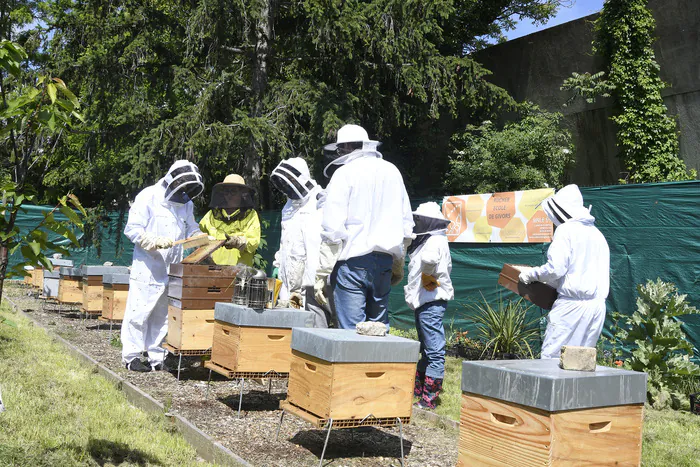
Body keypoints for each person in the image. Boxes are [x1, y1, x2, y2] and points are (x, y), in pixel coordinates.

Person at [314, 124, 413, 329]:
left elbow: (332, 229)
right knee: (378, 330)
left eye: (341, 149)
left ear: (347, 147)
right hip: (385, 261)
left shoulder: (344, 173)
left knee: (351, 333)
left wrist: (322, 272)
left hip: (352, 262)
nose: (340, 153)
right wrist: (398, 263)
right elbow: (406, 224)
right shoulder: (392, 171)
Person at [121, 160, 204, 372]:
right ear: (171, 182)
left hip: (172, 267)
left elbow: (191, 229)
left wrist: (200, 237)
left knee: (162, 315)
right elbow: (132, 229)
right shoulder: (148, 196)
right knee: (139, 312)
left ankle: (157, 357)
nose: (184, 193)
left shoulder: (186, 204)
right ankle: (131, 357)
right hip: (148, 266)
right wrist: (152, 240)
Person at [519, 184, 610, 359]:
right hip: (596, 308)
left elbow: (555, 269)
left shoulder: (566, 230)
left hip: (571, 308)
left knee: (552, 359)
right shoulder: (597, 234)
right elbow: (577, 270)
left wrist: (531, 275)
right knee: (580, 363)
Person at [270, 158, 333, 327]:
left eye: (291, 180)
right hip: (291, 283)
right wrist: (278, 263)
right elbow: (286, 240)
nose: (288, 186)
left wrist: (323, 273)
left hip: (313, 281)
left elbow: (327, 239)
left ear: (301, 177)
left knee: (315, 325)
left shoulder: (321, 199)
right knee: (293, 322)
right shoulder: (289, 206)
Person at [405, 202, 453, 409]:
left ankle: (429, 399)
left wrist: (427, 272)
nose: (417, 223)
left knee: (433, 351)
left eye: (420, 220)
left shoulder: (434, 241)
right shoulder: (434, 240)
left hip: (431, 302)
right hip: (427, 302)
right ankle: (419, 392)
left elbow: (429, 260)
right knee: (426, 349)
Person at [199, 174, 261, 266]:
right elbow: (197, 234)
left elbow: (254, 242)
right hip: (213, 268)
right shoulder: (211, 215)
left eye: (233, 192)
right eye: (226, 192)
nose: (229, 195)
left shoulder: (250, 215)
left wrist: (239, 242)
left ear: (241, 193)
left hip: (240, 271)